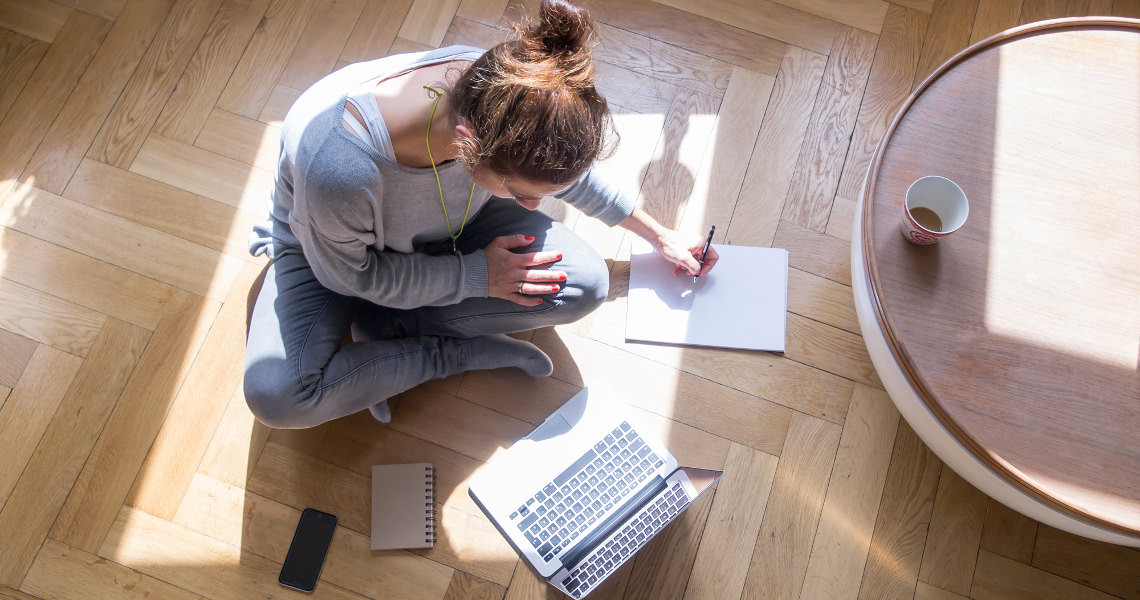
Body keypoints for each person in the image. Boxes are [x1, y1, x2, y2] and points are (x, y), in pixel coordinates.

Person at [244, 0, 719, 429]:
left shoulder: (505, 89)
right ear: (468, 145)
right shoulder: (339, 169)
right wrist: (475, 275)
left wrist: (658, 235)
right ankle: (449, 355)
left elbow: (560, 175)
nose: (533, 205)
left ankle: (388, 331)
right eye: (519, 192)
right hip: (332, 261)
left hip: (451, 223)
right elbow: (352, 277)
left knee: (584, 286)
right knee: (281, 397)